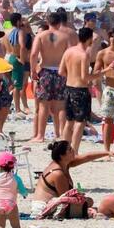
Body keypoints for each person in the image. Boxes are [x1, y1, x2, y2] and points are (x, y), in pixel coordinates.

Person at [31, 140, 108, 218]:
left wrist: (107, 153)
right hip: (43, 208)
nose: (73, 150)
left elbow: (86, 157)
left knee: (88, 201)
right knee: (89, 202)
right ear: (62, 155)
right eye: (70, 149)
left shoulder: (63, 163)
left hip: (52, 203)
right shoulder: (58, 174)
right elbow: (66, 200)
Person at [58, 27, 104, 155]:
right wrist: (102, 73)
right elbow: (85, 77)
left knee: (69, 121)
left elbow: (61, 72)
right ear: (89, 39)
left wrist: (72, 75)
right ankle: (74, 151)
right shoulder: (84, 55)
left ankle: (63, 149)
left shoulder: (69, 51)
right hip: (80, 90)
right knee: (80, 122)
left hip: (68, 88)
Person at [29, 10, 72, 142]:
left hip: (46, 71)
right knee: (60, 107)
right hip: (60, 72)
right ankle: (61, 135)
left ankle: (40, 136)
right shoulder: (65, 37)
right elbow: (69, 54)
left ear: (48, 22)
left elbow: (34, 54)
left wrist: (33, 70)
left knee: (43, 106)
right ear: (59, 23)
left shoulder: (41, 36)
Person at [94, 27, 114, 157]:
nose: (113, 39)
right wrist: (108, 69)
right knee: (107, 121)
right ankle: (106, 150)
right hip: (109, 90)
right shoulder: (102, 53)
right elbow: (95, 73)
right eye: (111, 36)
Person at [6, 13, 33, 116]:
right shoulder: (20, 31)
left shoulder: (11, 31)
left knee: (15, 85)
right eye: (21, 20)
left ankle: (17, 108)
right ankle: (17, 109)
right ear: (18, 21)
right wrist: (22, 60)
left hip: (12, 57)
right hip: (17, 59)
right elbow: (22, 46)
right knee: (17, 86)